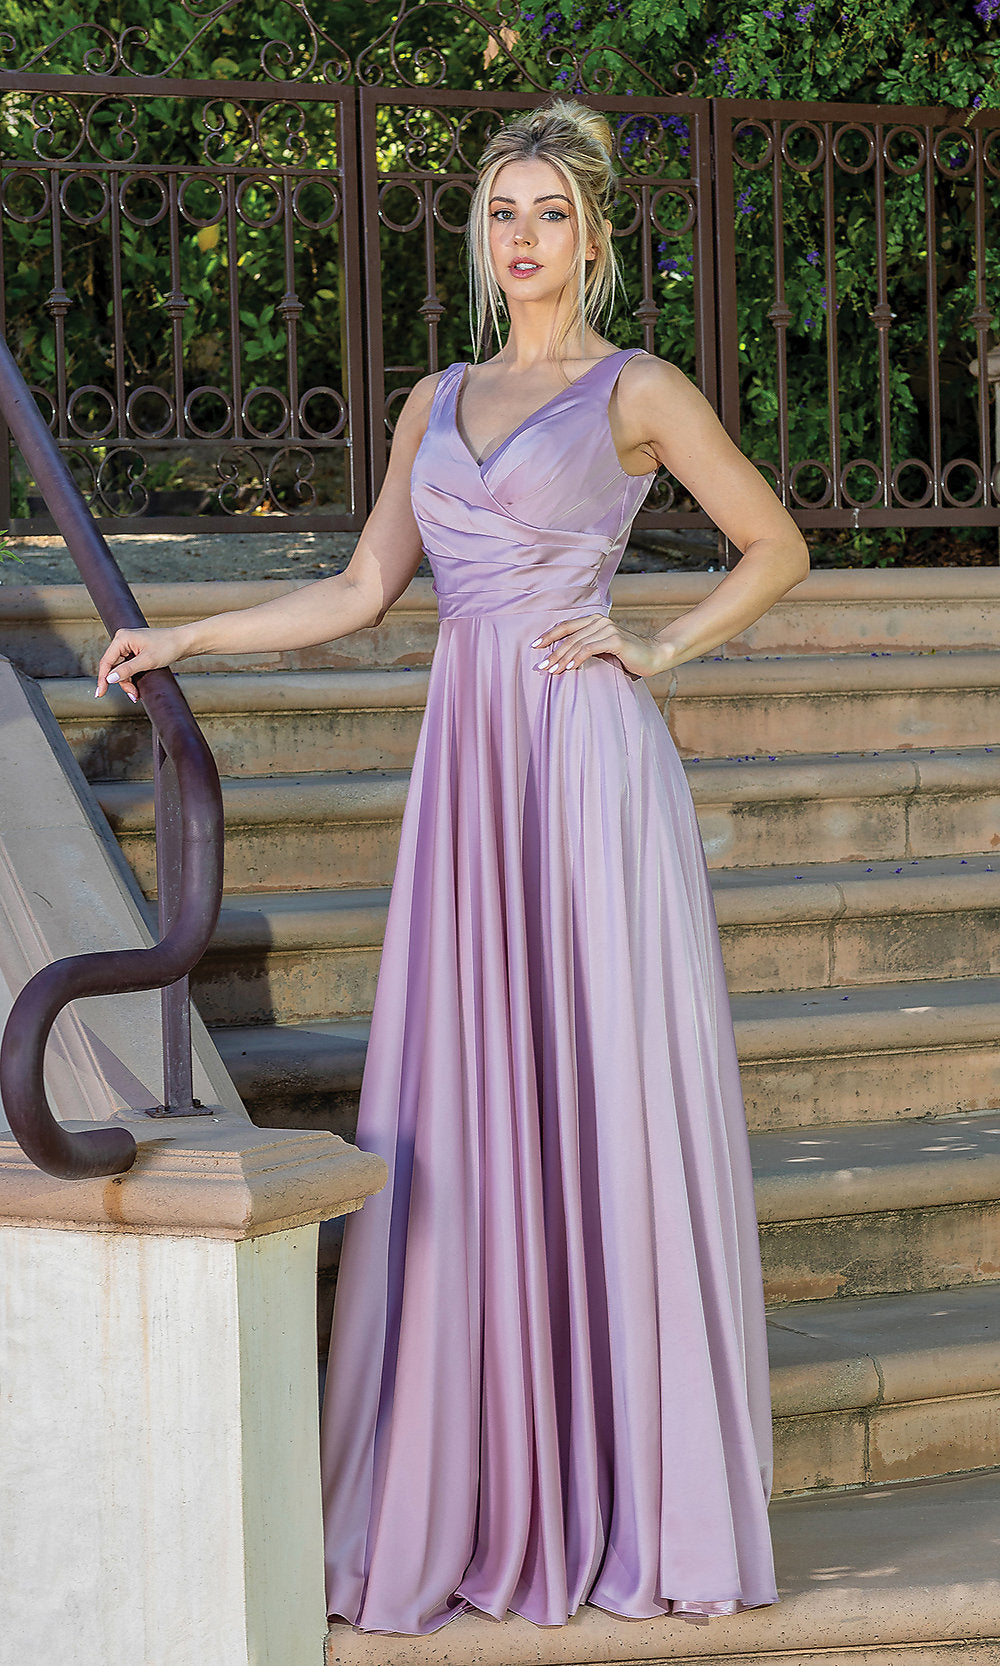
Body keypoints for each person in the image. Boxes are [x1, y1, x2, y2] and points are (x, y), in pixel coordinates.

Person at [97, 97, 809, 1638]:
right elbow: (362, 589)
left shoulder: (640, 390)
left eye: (550, 212)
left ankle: (634, 1489)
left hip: (587, 766)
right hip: (470, 781)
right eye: (502, 212)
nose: (523, 236)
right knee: (479, 1110)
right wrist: (189, 632)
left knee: (599, 1098)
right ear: (481, 237)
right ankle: (490, 1477)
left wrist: (659, 643)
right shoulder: (432, 401)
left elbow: (776, 544)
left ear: (594, 237)